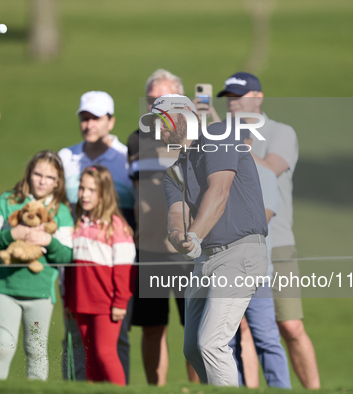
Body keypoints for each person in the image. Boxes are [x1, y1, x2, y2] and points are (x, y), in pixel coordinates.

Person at [146, 94, 268, 386]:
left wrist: (195, 235)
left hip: (240, 253)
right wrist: (179, 238)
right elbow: (177, 214)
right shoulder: (174, 171)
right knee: (192, 348)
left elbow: (220, 191)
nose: (157, 131)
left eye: (161, 122)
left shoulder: (217, 135)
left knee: (211, 344)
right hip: (206, 259)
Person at [217, 71, 320, 389]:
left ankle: (313, 388)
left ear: (258, 98)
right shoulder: (222, 134)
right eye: (229, 99)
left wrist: (238, 144)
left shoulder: (280, 132)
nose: (232, 104)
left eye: (239, 98)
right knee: (245, 328)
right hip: (237, 245)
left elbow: (271, 170)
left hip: (279, 242)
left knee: (289, 325)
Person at [126, 69, 198, 385]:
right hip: (148, 250)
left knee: (194, 329)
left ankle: (197, 390)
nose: (159, 105)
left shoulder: (197, 138)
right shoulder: (135, 140)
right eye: (153, 100)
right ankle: (157, 389)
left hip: (187, 250)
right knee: (153, 327)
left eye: (167, 99)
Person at [58, 91, 135, 382]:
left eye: (96, 118)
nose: (89, 124)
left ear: (111, 121)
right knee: (79, 342)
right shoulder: (66, 157)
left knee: (112, 344)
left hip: (113, 261)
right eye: (84, 118)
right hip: (79, 257)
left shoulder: (125, 156)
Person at [0, 150, 73, 380]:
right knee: (2, 345)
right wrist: (12, 234)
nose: (42, 181)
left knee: (35, 349)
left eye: (49, 177)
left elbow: (66, 256)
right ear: (29, 174)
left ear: (58, 182)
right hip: (6, 288)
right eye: (37, 174)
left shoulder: (61, 212)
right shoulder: (8, 201)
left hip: (40, 293)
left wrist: (48, 241)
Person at [227, 131, 291, 389]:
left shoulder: (264, 175)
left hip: (255, 273)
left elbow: (259, 221)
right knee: (227, 341)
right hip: (223, 273)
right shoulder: (215, 174)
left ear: (249, 142)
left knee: (266, 338)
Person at [64, 165, 136, 386]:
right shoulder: (78, 223)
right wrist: (68, 301)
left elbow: (125, 270)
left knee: (105, 354)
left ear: (103, 193)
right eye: (82, 188)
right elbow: (70, 268)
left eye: (91, 190)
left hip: (106, 304)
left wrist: (120, 302)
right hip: (81, 302)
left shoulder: (116, 226)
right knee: (91, 358)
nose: (84, 194)